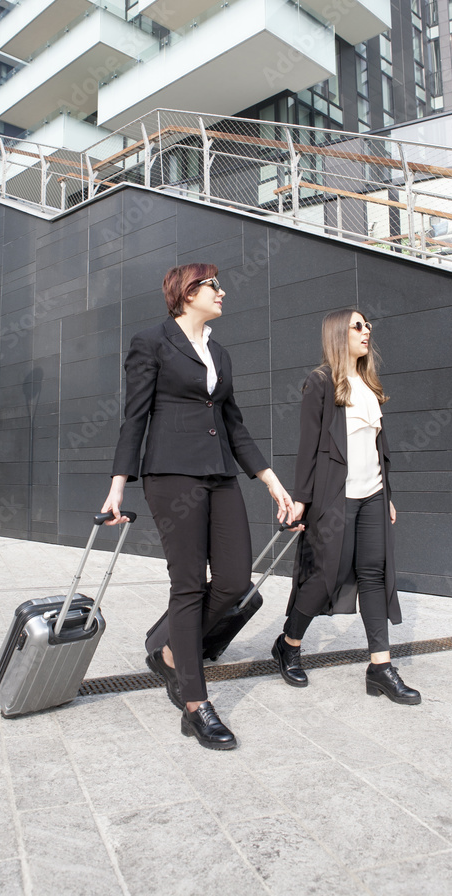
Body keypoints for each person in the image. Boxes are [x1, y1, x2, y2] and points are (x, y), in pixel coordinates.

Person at [101, 263, 295, 749]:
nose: (222, 292)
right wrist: (118, 484)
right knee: (187, 585)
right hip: (171, 476)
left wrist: (271, 481)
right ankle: (195, 705)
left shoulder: (219, 352)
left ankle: (171, 650)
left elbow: (234, 424)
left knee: (234, 581)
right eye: (214, 285)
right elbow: (134, 417)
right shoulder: (151, 342)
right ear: (187, 292)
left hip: (220, 474)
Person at [272, 308, 421, 704]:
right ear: (339, 333)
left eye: (368, 325)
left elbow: (377, 448)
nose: (366, 330)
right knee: (326, 577)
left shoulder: (369, 385)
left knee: (374, 575)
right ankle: (289, 643)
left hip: (373, 496)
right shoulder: (321, 382)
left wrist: (387, 495)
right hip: (334, 498)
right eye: (358, 326)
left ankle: (380, 667)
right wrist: (301, 500)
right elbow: (308, 447)